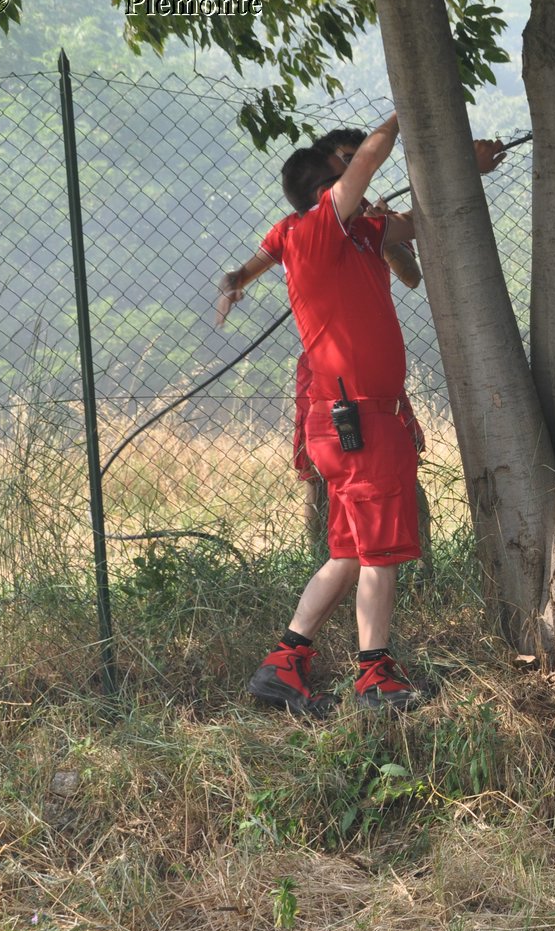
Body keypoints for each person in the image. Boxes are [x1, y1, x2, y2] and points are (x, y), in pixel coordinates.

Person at [215, 129, 504, 550]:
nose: (355, 170)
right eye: (346, 162)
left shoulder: (364, 222)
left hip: (374, 380)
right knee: (319, 473)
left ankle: (405, 559)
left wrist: (384, 222)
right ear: (327, 178)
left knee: (398, 460)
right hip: (330, 379)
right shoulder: (302, 229)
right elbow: (242, 271)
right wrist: (232, 285)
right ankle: (330, 554)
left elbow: (411, 268)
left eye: (355, 162)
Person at [243, 111, 431, 716]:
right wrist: (407, 110)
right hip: (360, 422)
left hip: (356, 420)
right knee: (379, 555)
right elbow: (371, 161)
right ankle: (376, 678)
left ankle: (284, 664)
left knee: (348, 555)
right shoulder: (316, 230)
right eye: (346, 167)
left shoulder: (354, 235)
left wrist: (465, 169)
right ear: (326, 188)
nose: (360, 175)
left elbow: (417, 230)